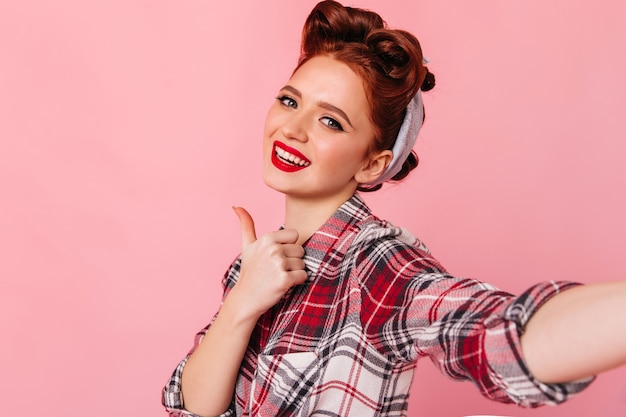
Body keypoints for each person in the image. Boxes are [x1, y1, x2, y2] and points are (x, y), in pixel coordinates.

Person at [162, 1, 626, 416]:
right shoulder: (257, 267)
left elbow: (497, 332)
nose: (293, 129)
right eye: (289, 101)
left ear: (372, 163)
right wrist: (242, 301)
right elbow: (194, 406)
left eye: (330, 121)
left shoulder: (375, 266)